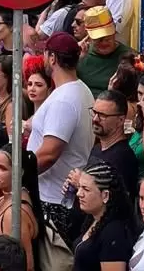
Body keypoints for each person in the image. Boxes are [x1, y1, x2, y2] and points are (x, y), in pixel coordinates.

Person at [28, 32, 94, 242]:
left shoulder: (64, 100)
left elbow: (49, 154)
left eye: (45, 54)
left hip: (53, 200)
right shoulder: (80, 90)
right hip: (59, 196)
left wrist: (19, 175)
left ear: (52, 58)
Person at [72, 162, 136, 271]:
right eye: (79, 187)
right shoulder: (93, 218)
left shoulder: (114, 232)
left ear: (105, 195)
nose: (79, 193)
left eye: (86, 189)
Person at [76, 7, 133, 95]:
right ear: (88, 36)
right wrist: (75, 58)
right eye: (99, 39)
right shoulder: (80, 55)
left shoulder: (129, 57)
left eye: (108, 37)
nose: (104, 42)